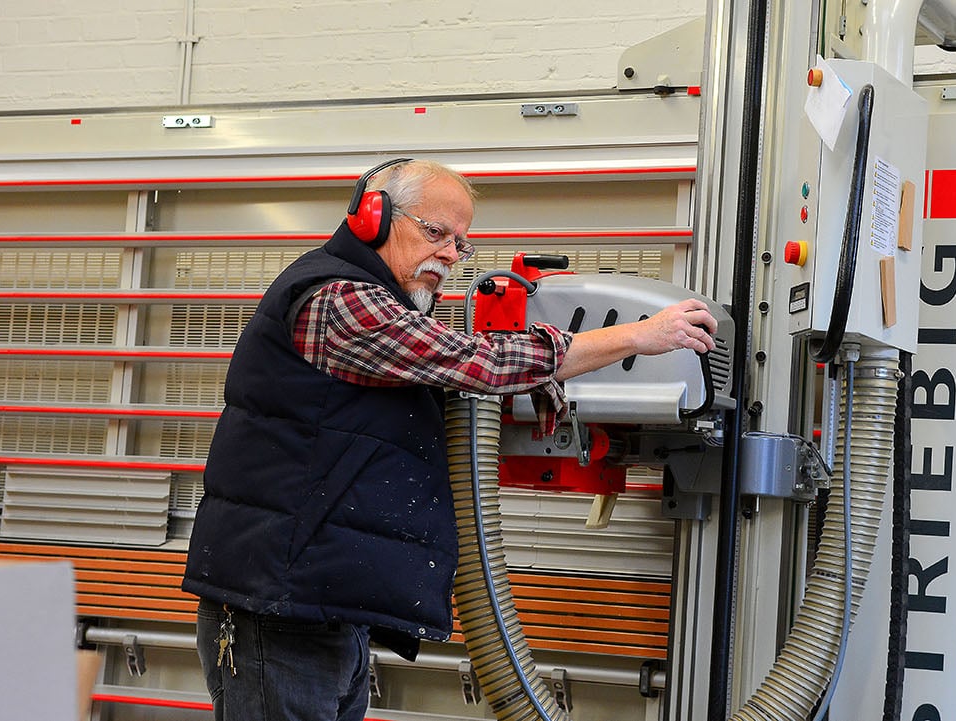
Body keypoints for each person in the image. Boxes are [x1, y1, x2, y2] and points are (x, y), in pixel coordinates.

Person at [182, 158, 717, 721]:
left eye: (461, 243)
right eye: (435, 233)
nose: (451, 255)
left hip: (320, 600)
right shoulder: (337, 298)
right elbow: (468, 362)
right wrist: (638, 337)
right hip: (276, 608)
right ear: (372, 217)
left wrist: (537, 382)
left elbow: (440, 372)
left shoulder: (382, 305)